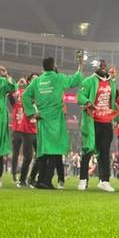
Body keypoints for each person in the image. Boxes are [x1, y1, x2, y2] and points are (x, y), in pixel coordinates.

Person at [22, 56, 85, 190]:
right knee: (56, 150)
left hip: (42, 119)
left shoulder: (37, 81)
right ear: (53, 65)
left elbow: (25, 95)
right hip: (56, 118)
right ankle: (46, 180)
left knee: (43, 151)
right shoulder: (58, 78)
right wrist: (80, 65)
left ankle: (40, 180)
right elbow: (76, 79)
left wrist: (32, 112)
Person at [75, 60, 118, 192]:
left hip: (106, 122)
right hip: (92, 121)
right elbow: (79, 96)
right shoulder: (88, 81)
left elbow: (114, 102)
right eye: (101, 66)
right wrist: (87, 102)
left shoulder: (112, 82)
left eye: (105, 66)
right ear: (96, 68)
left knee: (105, 152)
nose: (103, 68)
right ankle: (83, 180)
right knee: (88, 150)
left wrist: (117, 119)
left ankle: (104, 181)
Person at [11, 76, 38, 187]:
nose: (36, 81)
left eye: (37, 79)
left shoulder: (40, 93)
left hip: (38, 129)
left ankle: (31, 178)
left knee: (41, 155)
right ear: (29, 82)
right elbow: (15, 97)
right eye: (33, 79)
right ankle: (22, 180)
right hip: (27, 129)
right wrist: (18, 85)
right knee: (28, 156)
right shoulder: (25, 94)